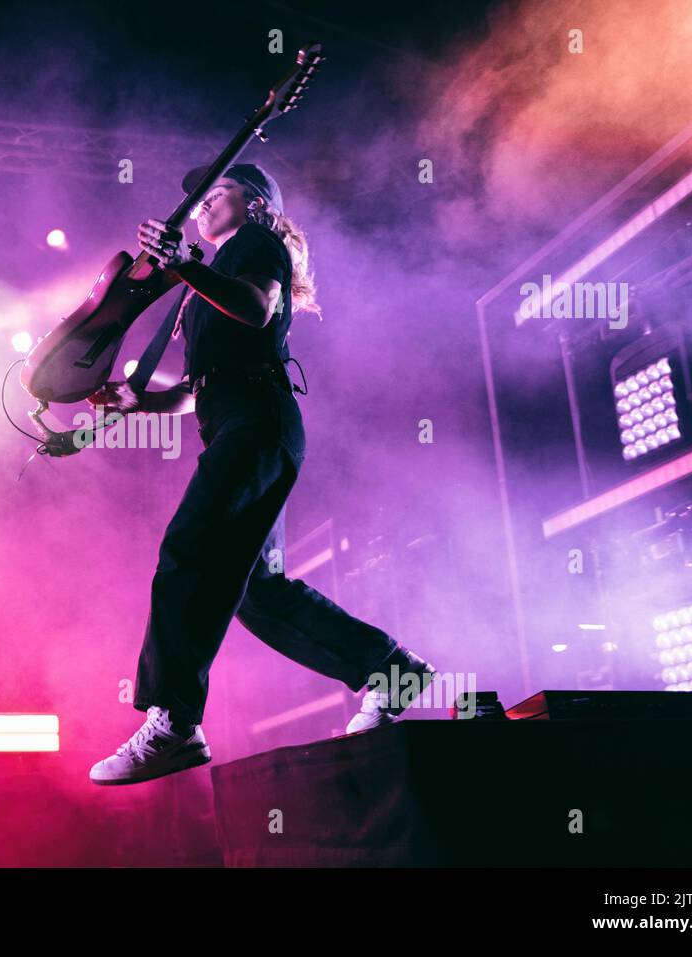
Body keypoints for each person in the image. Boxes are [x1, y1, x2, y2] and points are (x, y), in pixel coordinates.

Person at [87, 163, 436, 786]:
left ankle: (173, 722)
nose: (200, 205)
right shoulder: (207, 281)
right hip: (241, 427)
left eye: (215, 192)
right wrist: (141, 402)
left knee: (189, 553)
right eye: (198, 199)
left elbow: (256, 309)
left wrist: (184, 265)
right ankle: (392, 672)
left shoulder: (255, 243)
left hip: (257, 425)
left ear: (253, 202)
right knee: (258, 593)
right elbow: (199, 387)